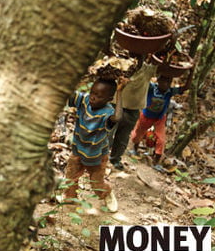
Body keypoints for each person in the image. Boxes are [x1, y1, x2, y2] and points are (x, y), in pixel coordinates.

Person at [64, 77, 128, 212]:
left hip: (96, 156)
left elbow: (117, 117)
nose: (93, 97)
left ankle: (107, 193)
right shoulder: (84, 100)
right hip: (78, 149)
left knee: (96, 184)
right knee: (71, 175)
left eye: (99, 96)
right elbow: (66, 93)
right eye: (92, 92)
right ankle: (70, 197)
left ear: (109, 98)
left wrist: (120, 92)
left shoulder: (108, 112)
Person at [130, 72, 193, 164]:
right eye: (164, 82)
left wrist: (191, 72)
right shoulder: (151, 88)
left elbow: (186, 87)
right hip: (146, 116)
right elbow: (142, 80)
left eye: (169, 82)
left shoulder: (170, 92)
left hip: (159, 119)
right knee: (138, 133)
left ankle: (156, 162)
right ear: (158, 81)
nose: (166, 84)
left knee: (161, 139)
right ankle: (134, 149)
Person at [109, 54, 157, 170]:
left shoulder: (148, 69)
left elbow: (162, 66)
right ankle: (100, 155)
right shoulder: (122, 64)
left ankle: (115, 159)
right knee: (107, 132)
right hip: (115, 105)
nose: (137, 58)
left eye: (141, 54)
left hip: (132, 110)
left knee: (123, 137)